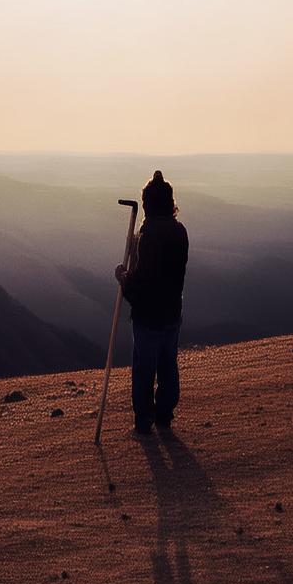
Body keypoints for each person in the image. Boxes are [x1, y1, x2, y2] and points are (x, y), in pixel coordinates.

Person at [115, 171, 189, 434]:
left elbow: (144, 281)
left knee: (145, 368)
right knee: (168, 364)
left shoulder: (149, 236)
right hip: (172, 312)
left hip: (149, 316)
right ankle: (164, 415)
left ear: (148, 203)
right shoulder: (180, 232)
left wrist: (123, 279)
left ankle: (144, 419)